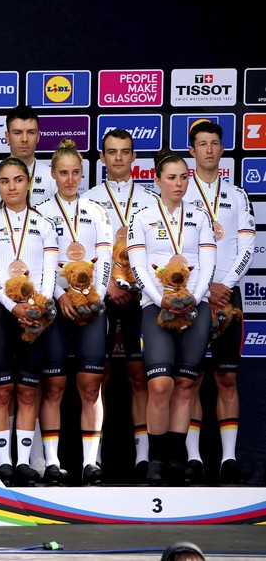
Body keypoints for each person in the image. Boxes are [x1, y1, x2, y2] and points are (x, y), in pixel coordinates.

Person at [128, 148, 216, 485]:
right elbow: (137, 266)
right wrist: (159, 298)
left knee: (185, 384)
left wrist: (194, 296)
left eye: (183, 177)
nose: (178, 183)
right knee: (160, 384)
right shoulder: (142, 217)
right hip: (156, 307)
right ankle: (156, 458)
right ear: (157, 180)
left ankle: (177, 459)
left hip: (197, 305)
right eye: (171, 177)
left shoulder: (199, 216)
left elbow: (207, 264)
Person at [81, 128, 159, 480]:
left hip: (141, 298)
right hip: (102, 295)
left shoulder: (149, 199)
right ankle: (93, 459)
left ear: (133, 158)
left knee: (139, 375)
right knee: (98, 377)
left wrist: (137, 284)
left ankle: (143, 457)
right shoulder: (89, 199)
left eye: (124, 152)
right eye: (111, 152)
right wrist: (109, 283)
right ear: (101, 157)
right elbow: (82, 250)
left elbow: (158, 251)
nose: (117, 158)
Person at [35, 140, 113, 485]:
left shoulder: (97, 210)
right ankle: (52, 462)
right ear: (52, 174)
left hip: (91, 305)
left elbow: (106, 259)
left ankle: (90, 463)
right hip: (55, 305)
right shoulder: (40, 212)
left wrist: (94, 297)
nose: (69, 179)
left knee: (91, 385)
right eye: (63, 173)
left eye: (75, 173)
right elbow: (40, 263)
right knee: (52, 384)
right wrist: (60, 293)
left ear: (83, 174)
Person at [0, 157, 58, 486]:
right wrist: (14, 306)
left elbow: (50, 272)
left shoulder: (45, 224)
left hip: (35, 315)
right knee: (1, 391)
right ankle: (3, 463)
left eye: (18, 180)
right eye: (5, 181)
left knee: (28, 390)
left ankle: (24, 462)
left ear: (28, 183)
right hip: (1, 311)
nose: (12, 187)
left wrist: (39, 305)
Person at [183, 121, 255, 485]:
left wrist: (224, 286)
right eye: (202, 144)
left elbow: (247, 249)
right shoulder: (180, 191)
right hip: (194, 295)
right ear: (191, 151)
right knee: (191, 379)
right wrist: (205, 288)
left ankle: (228, 459)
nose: (209, 150)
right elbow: (176, 250)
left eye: (214, 144)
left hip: (229, 295)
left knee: (227, 377)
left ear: (222, 150)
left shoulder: (239, 195)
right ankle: (193, 458)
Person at [0, 105, 56, 214]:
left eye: (31, 132)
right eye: (17, 133)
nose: (24, 139)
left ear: (38, 136)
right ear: (7, 136)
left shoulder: (52, 177)